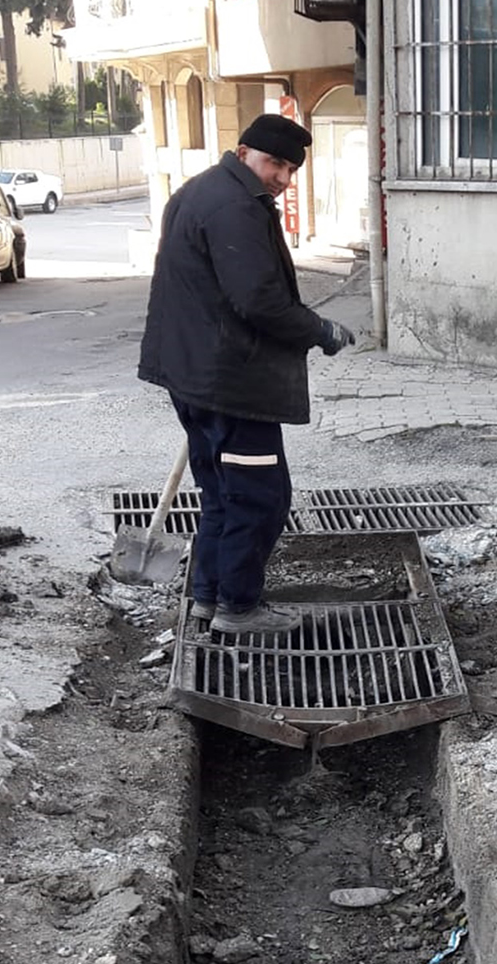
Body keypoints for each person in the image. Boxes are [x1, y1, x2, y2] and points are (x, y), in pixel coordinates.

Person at [137, 113, 355, 636]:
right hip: (232, 382)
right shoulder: (235, 207)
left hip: (196, 374)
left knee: (221, 493)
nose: (282, 176)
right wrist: (319, 329)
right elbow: (257, 299)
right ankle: (239, 607)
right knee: (259, 496)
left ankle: (209, 599)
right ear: (244, 153)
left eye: (290, 168)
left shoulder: (201, 191)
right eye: (274, 163)